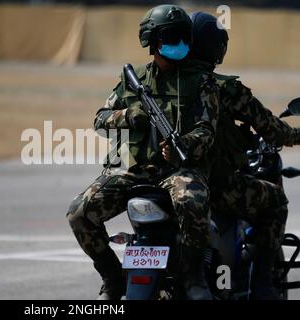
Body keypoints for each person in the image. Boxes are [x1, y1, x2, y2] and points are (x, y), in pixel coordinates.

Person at [66, 5, 220, 300]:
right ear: (152, 41)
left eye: (183, 37)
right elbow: (100, 119)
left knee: (193, 202)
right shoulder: (133, 79)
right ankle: (112, 277)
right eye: (171, 37)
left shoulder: (201, 82)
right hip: (131, 171)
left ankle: (193, 276)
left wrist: (183, 146)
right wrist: (130, 115)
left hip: (178, 171)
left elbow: (206, 131)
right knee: (79, 214)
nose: (179, 44)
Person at [189, 11, 300, 299]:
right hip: (213, 185)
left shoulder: (155, 83)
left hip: (162, 184)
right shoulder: (222, 87)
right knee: (275, 201)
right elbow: (272, 128)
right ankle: (262, 286)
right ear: (217, 46)